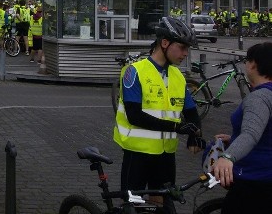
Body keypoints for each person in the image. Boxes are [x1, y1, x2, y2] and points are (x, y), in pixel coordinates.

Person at [113, 16, 205, 201]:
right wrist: (176, 127)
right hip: (138, 153)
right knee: (134, 204)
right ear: (164, 43)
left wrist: (195, 134)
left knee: (163, 204)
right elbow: (134, 116)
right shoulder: (135, 71)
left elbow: (191, 112)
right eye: (182, 47)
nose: (186, 53)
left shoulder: (177, 75)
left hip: (166, 155)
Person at [211, 42, 272, 212]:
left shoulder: (259, 98)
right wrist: (234, 139)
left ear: (253, 65)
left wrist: (228, 157)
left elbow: (251, 133)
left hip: (255, 180)